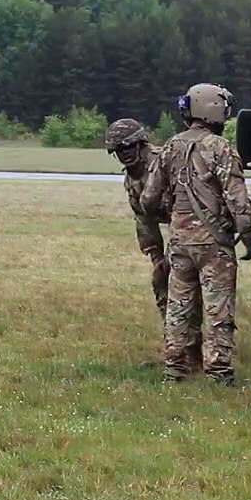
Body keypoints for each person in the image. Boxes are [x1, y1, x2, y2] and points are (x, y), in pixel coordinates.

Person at [140, 83, 251, 384]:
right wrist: (247, 235)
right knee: (218, 308)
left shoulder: (171, 146)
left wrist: (173, 216)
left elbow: (149, 198)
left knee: (179, 306)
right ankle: (219, 372)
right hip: (214, 243)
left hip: (179, 241)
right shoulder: (221, 149)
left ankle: (174, 368)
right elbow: (238, 199)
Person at [105, 117, 202, 369]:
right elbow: (144, 219)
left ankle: (196, 353)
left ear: (140, 143)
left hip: (195, 230)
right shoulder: (132, 177)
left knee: (186, 288)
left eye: (128, 147)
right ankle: (177, 349)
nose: (124, 154)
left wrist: (175, 250)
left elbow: (187, 205)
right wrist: (156, 256)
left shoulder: (163, 163)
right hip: (177, 232)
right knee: (162, 281)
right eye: (118, 151)